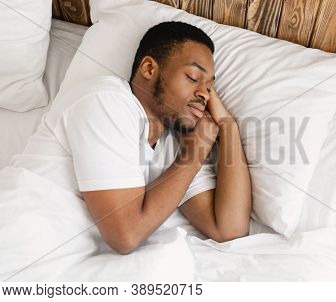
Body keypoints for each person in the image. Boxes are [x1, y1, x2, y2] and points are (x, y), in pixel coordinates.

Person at [9, 21, 252, 255]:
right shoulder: (106, 100)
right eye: (192, 77)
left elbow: (229, 229)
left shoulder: (174, 144)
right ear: (148, 69)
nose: (204, 94)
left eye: (210, 87)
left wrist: (228, 126)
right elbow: (125, 235)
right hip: (20, 235)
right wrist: (195, 153)